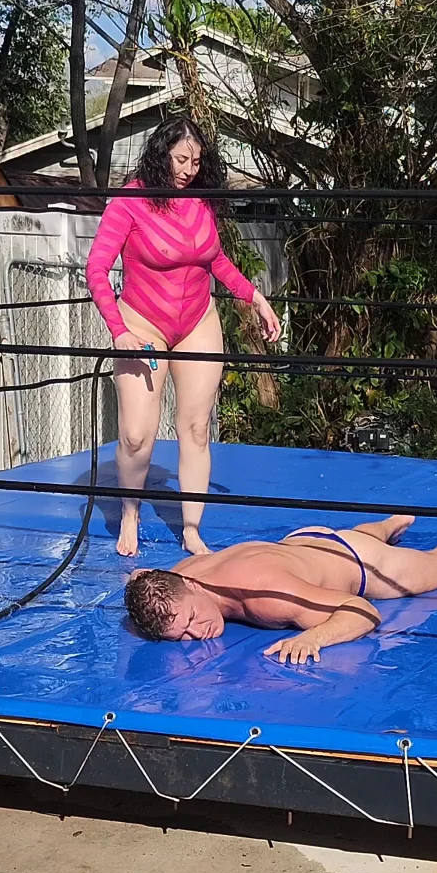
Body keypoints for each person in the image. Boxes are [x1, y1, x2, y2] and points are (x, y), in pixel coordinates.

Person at [85, 117, 283, 558]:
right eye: (180, 159)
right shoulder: (131, 200)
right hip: (142, 323)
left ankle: (192, 529)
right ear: (162, 155)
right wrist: (118, 330)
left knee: (196, 427)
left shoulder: (201, 199)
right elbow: (96, 268)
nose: (189, 170)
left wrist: (255, 298)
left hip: (197, 320)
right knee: (136, 435)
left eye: (196, 161)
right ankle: (130, 512)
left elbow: (216, 259)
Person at [123, 515, 437, 663]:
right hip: (306, 542)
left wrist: (315, 637)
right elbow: (138, 578)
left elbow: (362, 610)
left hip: (360, 563)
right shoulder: (171, 579)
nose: (197, 634)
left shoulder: (267, 596)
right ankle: (386, 526)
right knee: (350, 542)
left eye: (193, 618)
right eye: (181, 635)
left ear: (191, 586)